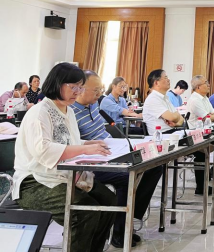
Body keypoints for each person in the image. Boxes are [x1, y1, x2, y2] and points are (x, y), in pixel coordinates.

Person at [12, 63, 116, 252]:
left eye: (80, 87)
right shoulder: (40, 112)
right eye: (74, 87)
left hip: (62, 175)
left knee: (108, 201)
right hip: (33, 182)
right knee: (84, 212)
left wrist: (87, 144)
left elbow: (67, 141)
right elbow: (44, 149)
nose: (78, 92)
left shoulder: (68, 111)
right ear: (57, 83)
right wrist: (83, 149)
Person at [71, 71, 163, 248]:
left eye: (100, 89)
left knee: (154, 166)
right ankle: (119, 231)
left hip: (110, 150)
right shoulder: (71, 111)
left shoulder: (93, 105)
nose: (99, 94)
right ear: (80, 88)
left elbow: (103, 133)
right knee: (127, 177)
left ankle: (131, 216)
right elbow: (76, 145)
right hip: (92, 161)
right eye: (96, 90)